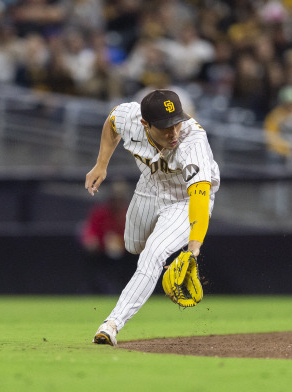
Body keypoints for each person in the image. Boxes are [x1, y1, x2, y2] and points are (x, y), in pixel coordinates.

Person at [85, 89, 220, 346]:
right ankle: (156, 253)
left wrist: (193, 249)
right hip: (149, 186)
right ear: (145, 123)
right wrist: (101, 164)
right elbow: (112, 121)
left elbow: (200, 196)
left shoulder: (192, 142)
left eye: (177, 122)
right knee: (133, 245)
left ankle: (111, 325)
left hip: (185, 199)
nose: (174, 132)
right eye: (166, 126)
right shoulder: (131, 117)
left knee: (153, 255)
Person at [80, 182, 131, 295]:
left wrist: (121, 243)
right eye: (115, 199)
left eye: (120, 199)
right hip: (101, 252)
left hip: (125, 254)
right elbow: (90, 230)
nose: (117, 203)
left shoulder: (129, 214)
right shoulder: (99, 212)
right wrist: (92, 240)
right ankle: (94, 290)